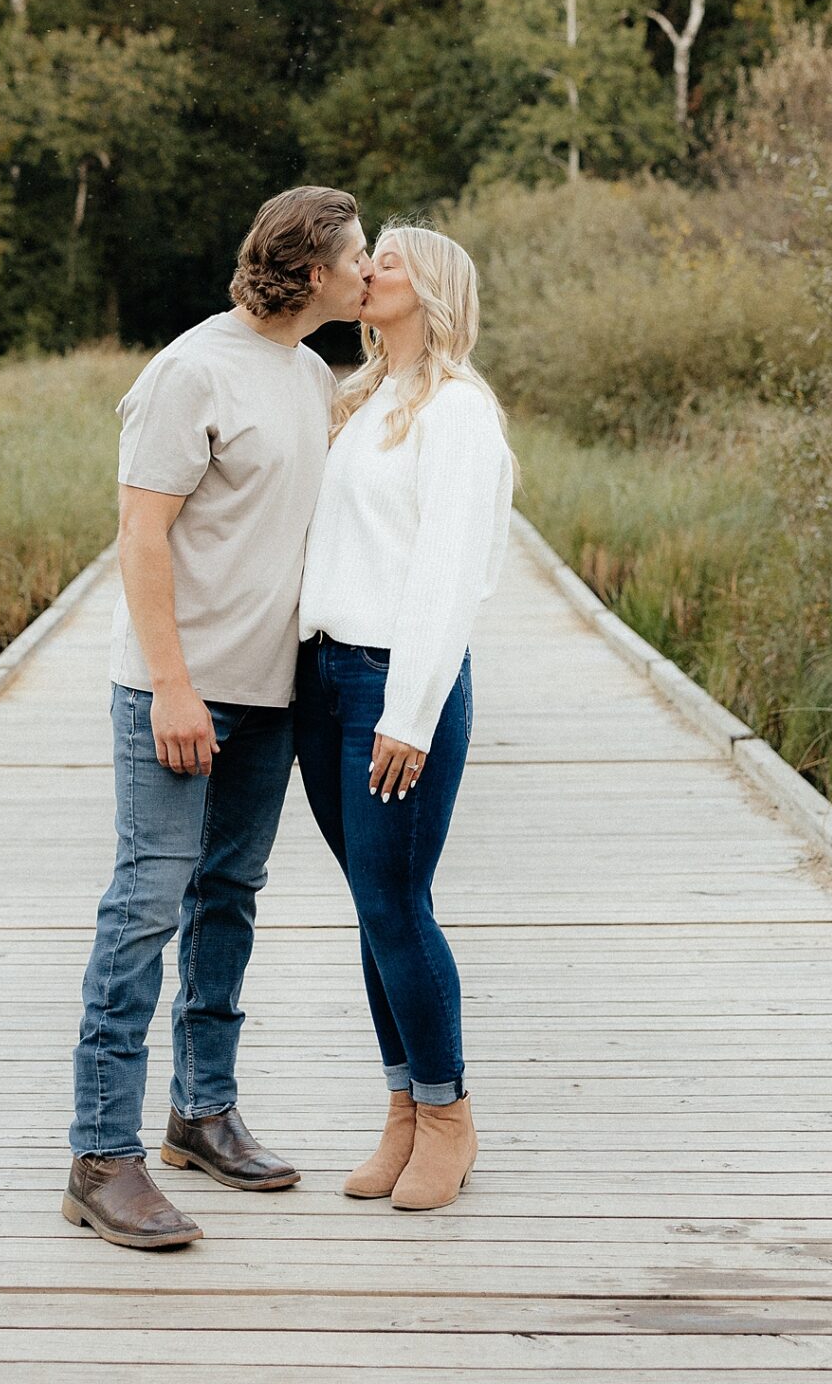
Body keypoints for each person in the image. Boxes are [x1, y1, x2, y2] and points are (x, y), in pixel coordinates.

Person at [63, 185, 373, 1250]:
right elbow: (141, 537)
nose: (370, 269)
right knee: (145, 905)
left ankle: (202, 1110)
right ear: (311, 266)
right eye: (359, 254)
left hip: (271, 693)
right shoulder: (191, 368)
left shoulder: (307, 371)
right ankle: (102, 1155)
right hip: (176, 693)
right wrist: (173, 685)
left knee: (229, 897)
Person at [294, 224, 514, 1213]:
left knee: (397, 904)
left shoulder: (459, 412)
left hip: (398, 687)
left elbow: (448, 576)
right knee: (373, 905)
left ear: (427, 286)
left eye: (384, 256)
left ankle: (449, 1115)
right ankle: (402, 1109)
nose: (365, 267)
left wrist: (411, 711)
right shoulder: (365, 396)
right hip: (325, 678)